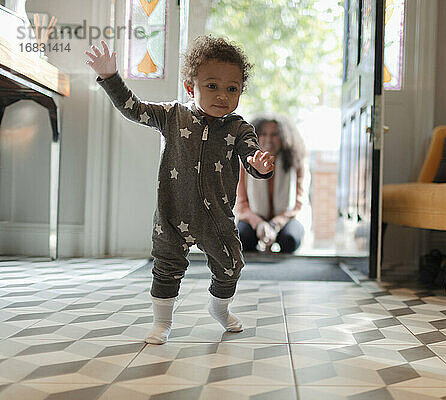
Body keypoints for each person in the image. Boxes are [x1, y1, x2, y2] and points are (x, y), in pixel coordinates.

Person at [85, 36, 275, 344]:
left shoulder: (239, 128)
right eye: (212, 86)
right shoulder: (171, 115)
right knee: (166, 268)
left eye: (232, 88)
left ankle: (220, 309)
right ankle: (161, 322)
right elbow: (133, 109)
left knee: (231, 266)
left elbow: (251, 155)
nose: (223, 96)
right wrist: (110, 77)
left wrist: (260, 165)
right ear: (191, 87)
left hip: (217, 219)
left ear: (241, 90)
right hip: (173, 215)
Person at [235, 114, 310, 253]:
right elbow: (241, 204)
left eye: (274, 134)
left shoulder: (296, 162)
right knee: (243, 239)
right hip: (254, 219)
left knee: (290, 240)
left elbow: (299, 204)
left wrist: (275, 224)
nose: (268, 139)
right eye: (263, 134)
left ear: (284, 137)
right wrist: (259, 224)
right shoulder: (245, 162)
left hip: (285, 220)